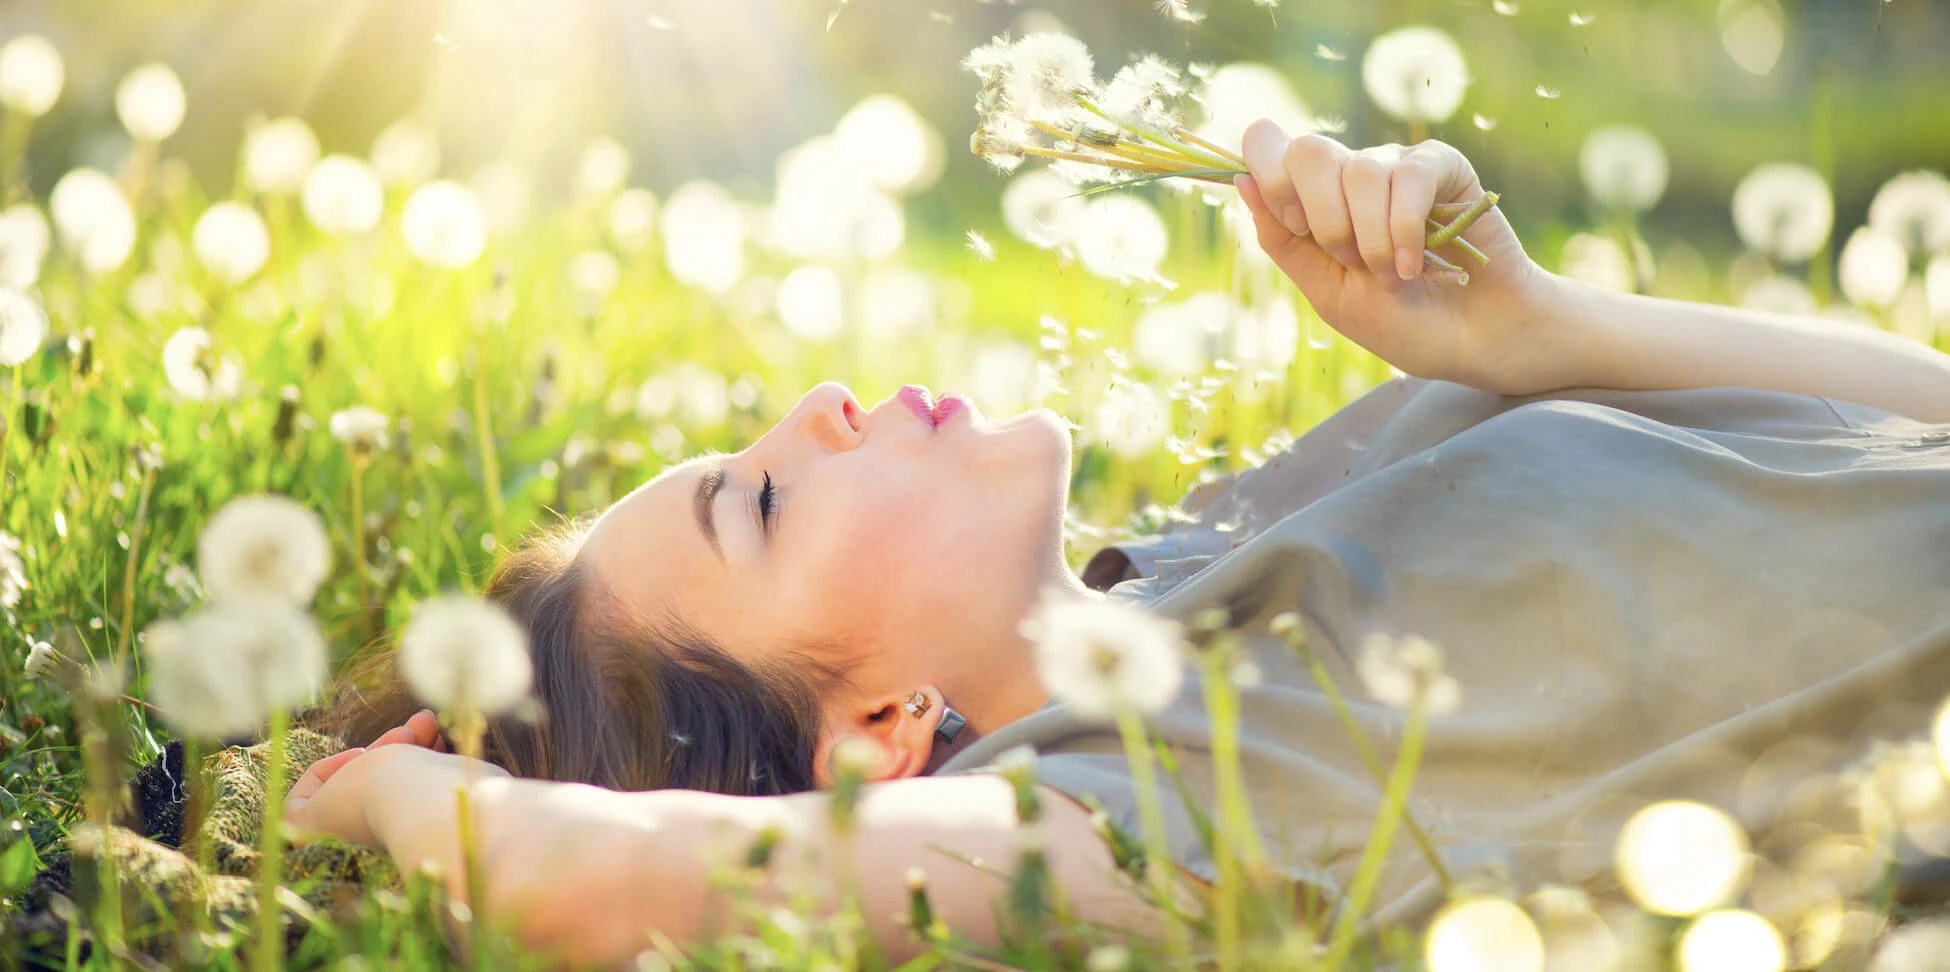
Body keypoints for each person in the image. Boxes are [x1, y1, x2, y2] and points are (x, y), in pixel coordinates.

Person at [287, 119, 1950, 965]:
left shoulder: (1202, 558)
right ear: (874, 738)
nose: (813, 404)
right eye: (765, 503)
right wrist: (389, 798)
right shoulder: (1124, 800)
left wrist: (1529, 335)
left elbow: (1915, 425)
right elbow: (610, 885)